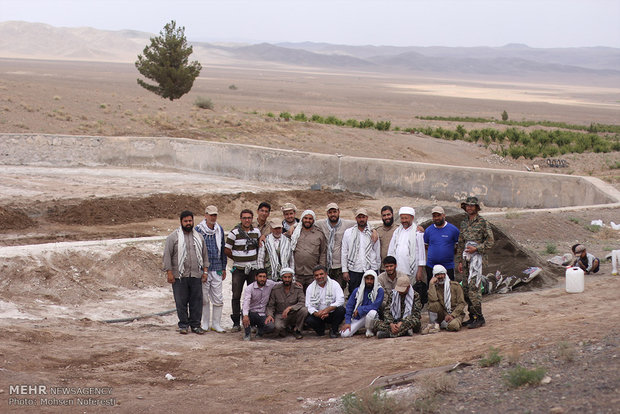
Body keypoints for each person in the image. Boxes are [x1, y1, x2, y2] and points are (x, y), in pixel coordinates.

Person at [163, 210, 209, 335]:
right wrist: (169, 272)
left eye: (190, 221)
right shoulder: (173, 237)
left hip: (195, 274)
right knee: (181, 302)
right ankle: (183, 325)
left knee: (196, 301)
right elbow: (167, 256)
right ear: (181, 222)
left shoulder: (199, 237)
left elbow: (205, 255)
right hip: (179, 276)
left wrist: (205, 272)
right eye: (186, 221)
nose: (188, 223)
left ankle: (195, 325)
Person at [456, 196, 494, 329]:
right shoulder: (464, 223)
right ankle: (472, 316)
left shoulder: (483, 222)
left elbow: (490, 241)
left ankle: (479, 317)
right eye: (467, 205)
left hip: (477, 261)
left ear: (477, 207)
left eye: (472, 206)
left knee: (474, 289)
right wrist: (460, 261)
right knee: (466, 289)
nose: (469, 208)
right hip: (466, 260)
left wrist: (477, 248)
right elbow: (461, 242)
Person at [225, 209, 261, 332]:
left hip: (253, 269)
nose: (247, 220)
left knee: (253, 295)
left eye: (249, 218)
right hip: (238, 270)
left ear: (252, 219)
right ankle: (236, 322)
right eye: (244, 218)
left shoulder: (256, 232)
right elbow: (227, 249)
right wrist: (237, 258)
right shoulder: (234, 233)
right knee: (236, 295)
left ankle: (252, 321)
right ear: (240, 219)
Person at [195, 205, 227, 333]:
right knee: (204, 298)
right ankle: (204, 323)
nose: (213, 217)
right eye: (211, 215)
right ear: (205, 215)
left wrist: (224, 267)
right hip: (204, 269)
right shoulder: (198, 230)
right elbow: (197, 251)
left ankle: (216, 323)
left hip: (217, 268)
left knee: (218, 298)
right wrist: (202, 270)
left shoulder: (219, 229)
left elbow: (223, 248)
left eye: (215, 215)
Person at [423, 206, 460, 303]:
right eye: (434, 216)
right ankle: (435, 310)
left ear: (444, 215)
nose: (436, 218)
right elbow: (426, 246)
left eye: (438, 215)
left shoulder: (453, 230)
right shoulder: (428, 230)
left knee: (450, 289)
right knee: (432, 290)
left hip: (448, 266)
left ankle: (450, 309)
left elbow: (458, 246)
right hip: (431, 266)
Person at [315, 202, 356, 290]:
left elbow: (361, 223)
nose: (332, 214)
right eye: (330, 212)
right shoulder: (321, 224)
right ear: (327, 214)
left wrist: (373, 230)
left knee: (339, 289)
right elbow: (305, 222)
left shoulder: (346, 224)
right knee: (326, 289)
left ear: (339, 212)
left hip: (339, 265)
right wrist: (292, 227)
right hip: (326, 265)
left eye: (334, 212)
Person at [341, 208, 380, 293]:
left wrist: (377, 269)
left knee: (371, 294)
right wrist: (345, 270)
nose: (361, 219)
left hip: (370, 268)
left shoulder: (373, 233)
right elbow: (344, 252)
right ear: (356, 218)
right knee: (355, 294)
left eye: (363, 217)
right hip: (355, 269)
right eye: (359, 217)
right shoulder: (348, 232)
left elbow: (377, 251)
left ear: (367, 218)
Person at [387, 206, 426, 292]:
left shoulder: (417, 232)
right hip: (398, 269)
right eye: (402, 218)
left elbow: (421, 252)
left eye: (406, 218)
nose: (404, 220)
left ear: (412, 218)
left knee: (410, 292)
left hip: (411, 269)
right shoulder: (397, 232)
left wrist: (420, 271)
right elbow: (391, 249)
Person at [290, 210, 328, 292]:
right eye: (305, 218)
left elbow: (323, 253)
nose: (307, 220)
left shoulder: (319, 234)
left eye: (310, 219)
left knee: (313, 296)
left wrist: (321, 271)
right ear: (302, 219)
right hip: (297, 273)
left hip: (313, 273)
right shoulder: (295, 232)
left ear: (313, 220)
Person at [265, 267, 308, 339]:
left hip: (294, 313)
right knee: (278, 328)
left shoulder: (298, 288)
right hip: (280, 315)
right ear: (282, 277)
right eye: (285, 277)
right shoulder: (276, 289)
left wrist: (291, 308)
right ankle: (287, 329)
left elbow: (302, 302)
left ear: (292, 278)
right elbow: (271, 305)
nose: (287, 279)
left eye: (289, 277)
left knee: (304, 310)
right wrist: (270, 315)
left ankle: (297, 330)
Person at [305, 265, 346, 338]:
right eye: (316, 275)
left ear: (326, 274)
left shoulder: (334, 284)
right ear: (314, 277)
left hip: (331, 312)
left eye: (321, 274)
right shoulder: (310, 287)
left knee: (341, 310)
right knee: (309, 319)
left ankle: (334, 330)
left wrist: (327, 310)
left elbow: (341, 300)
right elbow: (308, 305)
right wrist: (317, 313)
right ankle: (321, 330)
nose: (319, 277)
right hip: (319, 315)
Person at [340, 270, 384, 338]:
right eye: (367, 279)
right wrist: (347, 322)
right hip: (359, 317)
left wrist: (360, 309)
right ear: (364, 279)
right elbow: (349, 306)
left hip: (373, 317)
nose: (369, 281)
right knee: (344, 334)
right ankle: (357, 328)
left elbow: (375, 306)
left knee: (372, 312)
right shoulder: (357, 291)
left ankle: (369, 330)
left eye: (371, 279)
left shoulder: (379, 290)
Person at [427, 265, 466, 332]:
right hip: (443, 314)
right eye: (437, 275)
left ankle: (443, 324)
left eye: (442, 274)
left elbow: (461, 304)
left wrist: (452, 315)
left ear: (445, 274)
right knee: (433, 304)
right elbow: (433, 300)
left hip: (455, 314)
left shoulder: (455, 286)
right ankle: (436, 323)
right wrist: (431, 284)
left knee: (453, 326)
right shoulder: (434, 288)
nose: (440, 276)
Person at [242, 269, 276, 341]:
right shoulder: (249, 288)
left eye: (264, 277)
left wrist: (295, 283)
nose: (262, 279)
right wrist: (245, 315)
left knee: (271, 326)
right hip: (252, 312)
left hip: (263, 313)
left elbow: (280, 284)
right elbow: (246, 302)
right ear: (256, 277)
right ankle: (247, 334)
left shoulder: (270, 284)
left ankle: (260, 331)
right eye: (260, 276)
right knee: (244, 313)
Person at [375, 206, 397, 270]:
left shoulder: (398, 229)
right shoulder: (378, 230)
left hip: (395, 267)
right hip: (383, 267)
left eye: (388, 215)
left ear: (392, 215)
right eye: (384, 215)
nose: (386, 217)